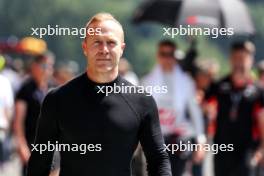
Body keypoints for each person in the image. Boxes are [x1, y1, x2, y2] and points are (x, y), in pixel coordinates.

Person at [27, 13, 172, 176]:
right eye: (97, 42)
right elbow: (40, 160)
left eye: (111, 43)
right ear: (85, 48)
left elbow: (158, 160)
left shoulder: (142, 101)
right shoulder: (58, 99)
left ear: (121, 49)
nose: (104, 50)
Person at [141, 40, 206, 176]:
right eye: (163, 54)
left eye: (170, 54)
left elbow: (195, 112)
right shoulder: (147, 82)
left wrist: (200, 140)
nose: (167, 58)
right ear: (158, 56)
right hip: (155, 141)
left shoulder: (186, 82)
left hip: (179, 142)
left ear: (175, 56)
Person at [204, 41, 264, 176]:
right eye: (236, 58)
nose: (239, 63)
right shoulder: (219, 86)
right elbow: (203, 107)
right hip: (223, 150)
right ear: (230, 59)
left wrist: (261, 149)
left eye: (243, 58)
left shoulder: (258, 91)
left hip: (246, 153)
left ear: (250, 60)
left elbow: (262, 120)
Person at [14, 53, 54, 176]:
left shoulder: (53, 88)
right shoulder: (26, 89)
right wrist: (22, 146)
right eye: (43, 66)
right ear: (34, 66)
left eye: (49, 66)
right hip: (31, 145)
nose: (46, 70)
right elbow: (18, 121)